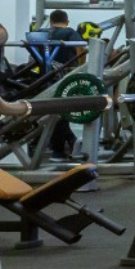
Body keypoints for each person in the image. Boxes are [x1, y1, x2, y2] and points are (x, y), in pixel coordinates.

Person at [43, 10, 83, 160]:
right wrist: (81, 68)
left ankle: (66, 144)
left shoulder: (41, 33)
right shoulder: (70, 32)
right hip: (65, 76)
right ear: (67, 21)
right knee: (60, 112)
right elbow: (81, 48)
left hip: (44, 79)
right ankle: (61, 148)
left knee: (56, 113)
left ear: (51, 21)